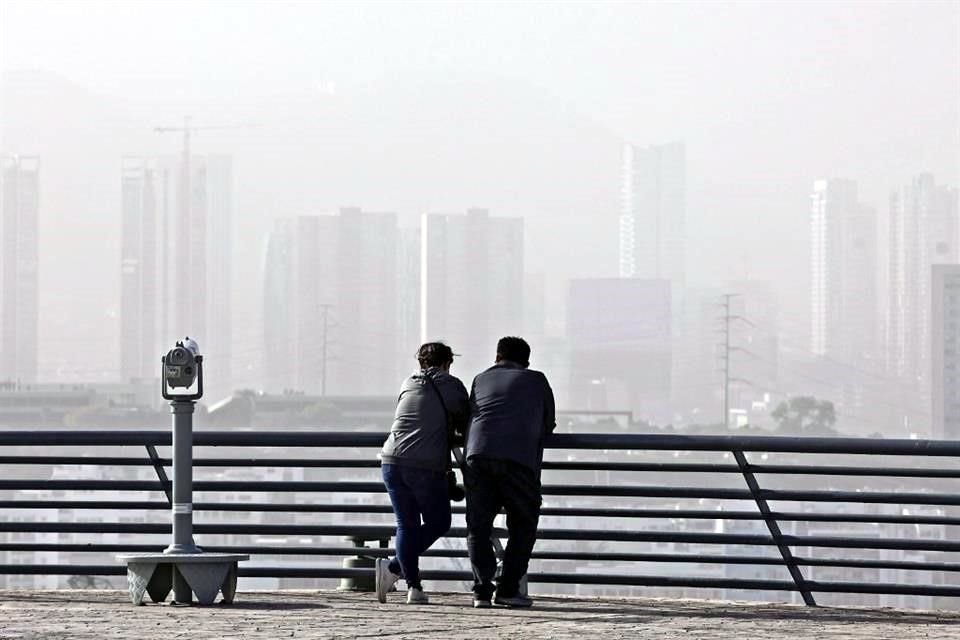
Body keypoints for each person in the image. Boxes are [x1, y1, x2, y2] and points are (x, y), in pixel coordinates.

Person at [464, 336, 555, 608]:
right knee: (523, 525)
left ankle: (481, 591)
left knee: (478, 527)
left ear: (496, 357)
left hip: (477, 457)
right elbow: (547, 424)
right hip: (518, 460)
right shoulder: (537, 380)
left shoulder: (480, 379)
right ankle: (508, 590)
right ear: (526, 361)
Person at [376, 342, 470, 605]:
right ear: (446, 363)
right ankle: (395, 569)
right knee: (439, 523)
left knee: (406, 525)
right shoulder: (452, 385)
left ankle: (413, 587)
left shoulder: (408, 382)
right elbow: (467, 421)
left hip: (391, 461)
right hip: (425, 466)